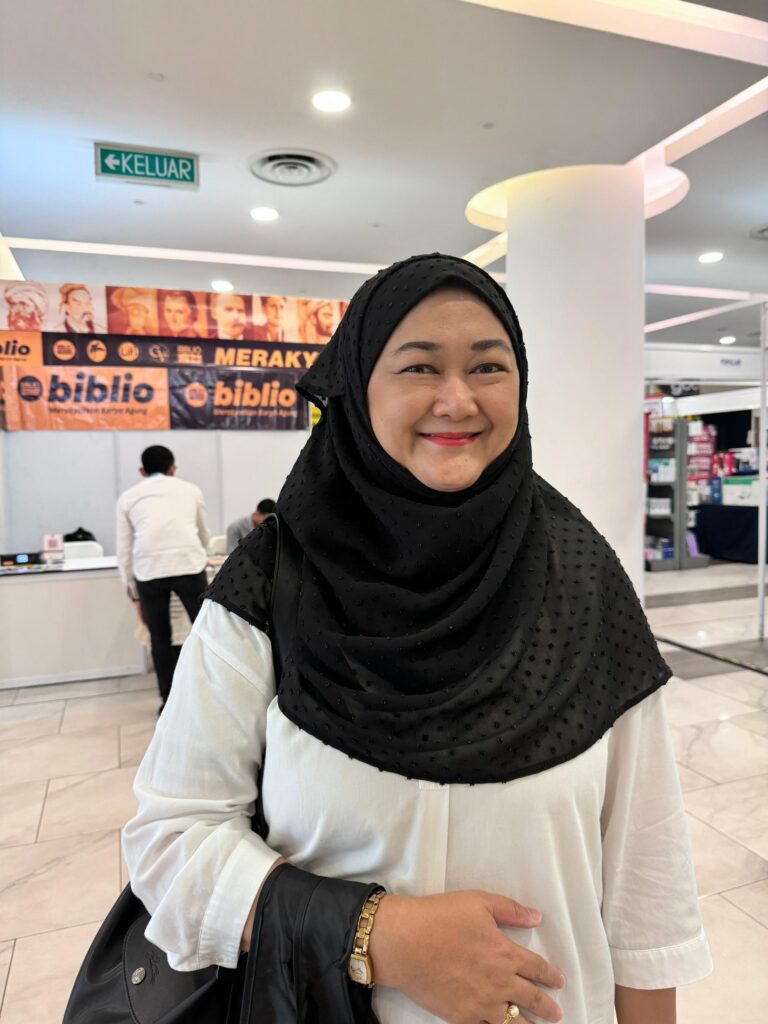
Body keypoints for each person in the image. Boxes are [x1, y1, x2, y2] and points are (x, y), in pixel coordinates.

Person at [123, 255, 711, 1024]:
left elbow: (647, 890)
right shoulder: (272, 582)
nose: (457, 399)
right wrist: (378, 935)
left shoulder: (582, 578)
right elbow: (171, 842)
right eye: (419, 366)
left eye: (488, 366)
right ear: (358, 387)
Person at [116, 445, 210, 710]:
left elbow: (124, 548)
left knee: (159, 638)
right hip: (189, 565)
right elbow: (203, 533)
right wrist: (201, 553)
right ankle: (210, 695)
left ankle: (168, 701)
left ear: (142, 471)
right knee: (206, 632)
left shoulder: (128, 497)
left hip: (149, 571)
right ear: (173, 469)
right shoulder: (191, 490)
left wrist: (132, 590)